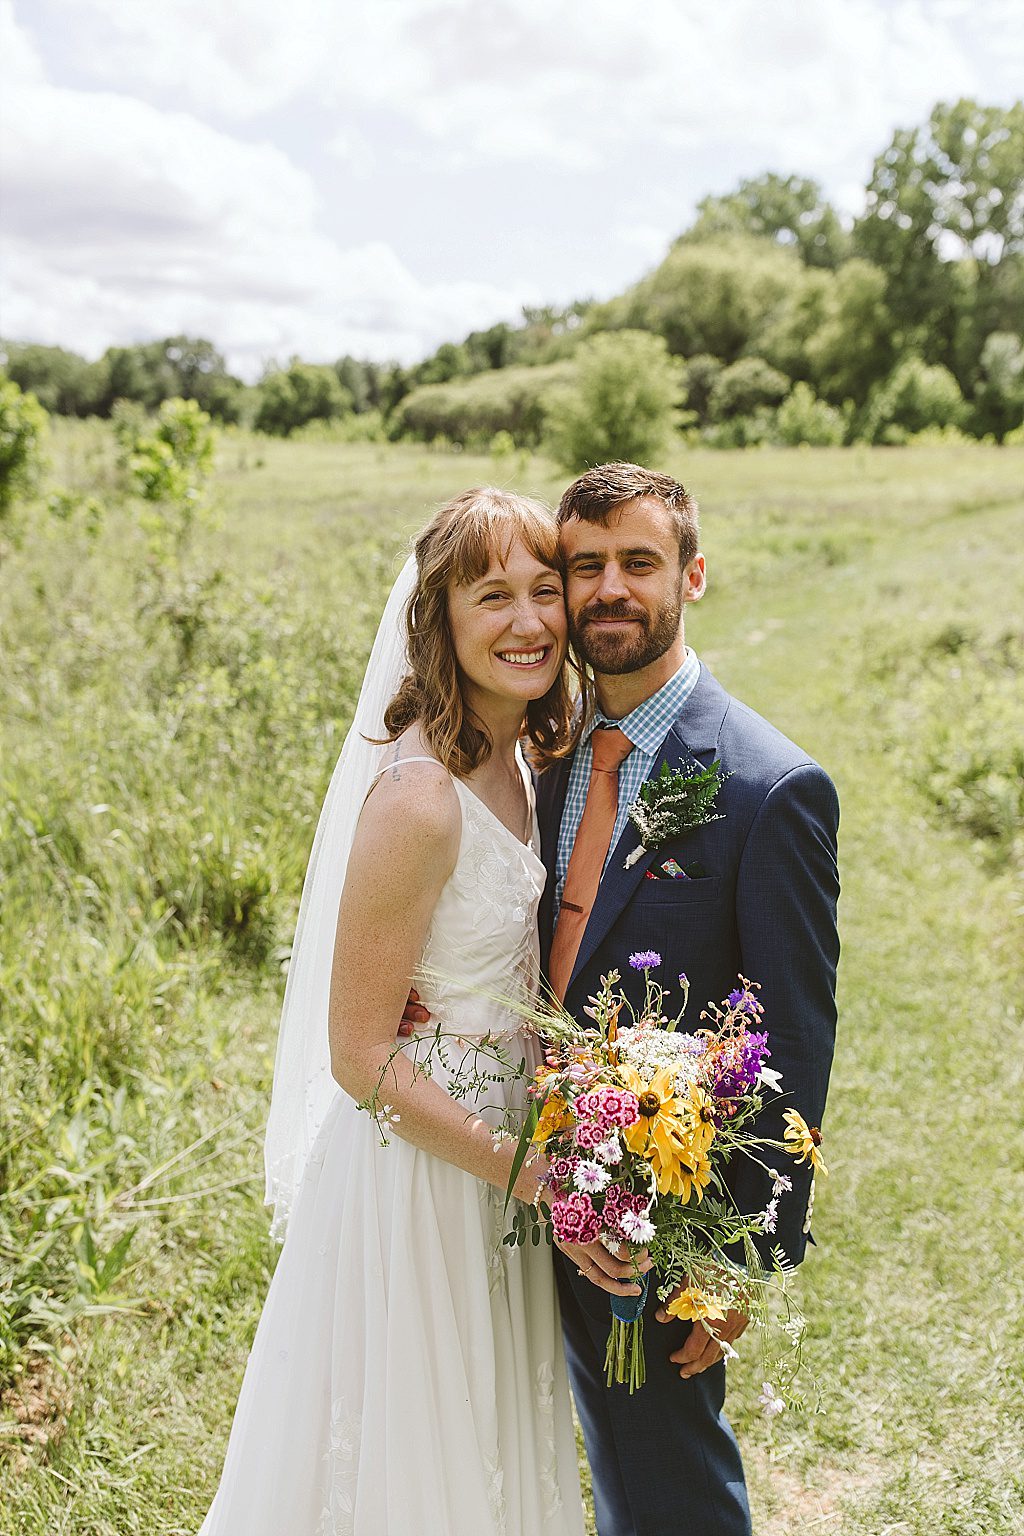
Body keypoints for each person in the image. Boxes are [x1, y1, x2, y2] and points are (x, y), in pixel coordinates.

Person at [198, 488, 606, 1535]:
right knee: (410, 1454)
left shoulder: (522, 761)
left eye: (542, 591)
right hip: (422, 1167)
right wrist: (537, 1177)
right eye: (491, 597)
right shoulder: (421, 798)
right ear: (440, 622)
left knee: (482, 1441)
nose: (527, 622)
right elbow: (360, 1057)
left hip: (503, 1152)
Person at [541, 462, 840, 1536]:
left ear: (692, 575)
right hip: (517, 1174)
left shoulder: (767, 786)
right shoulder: (542, 756)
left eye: (638, 562)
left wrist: (731, 1257)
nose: (610, 589)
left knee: (661, 1480)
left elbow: (792, 1034)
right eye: (586, 566)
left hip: (651, 1210)